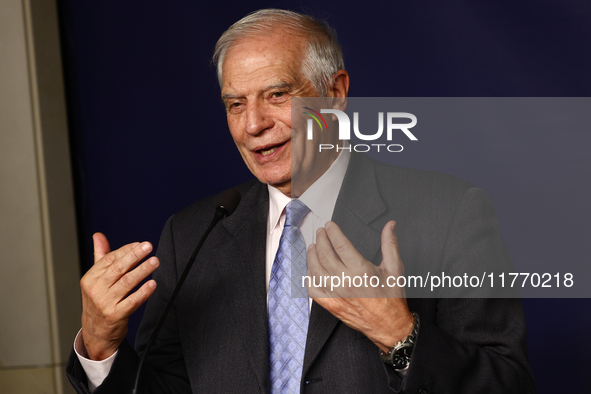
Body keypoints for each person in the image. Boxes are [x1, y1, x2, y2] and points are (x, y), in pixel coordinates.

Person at [67, 9, 535, 393]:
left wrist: (401, 337)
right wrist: (102, 346)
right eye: (235, 104)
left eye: (276, 94)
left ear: (334, 94)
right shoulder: (191, 235)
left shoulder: (448, 212)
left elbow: (508, 384)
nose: (253, 125)